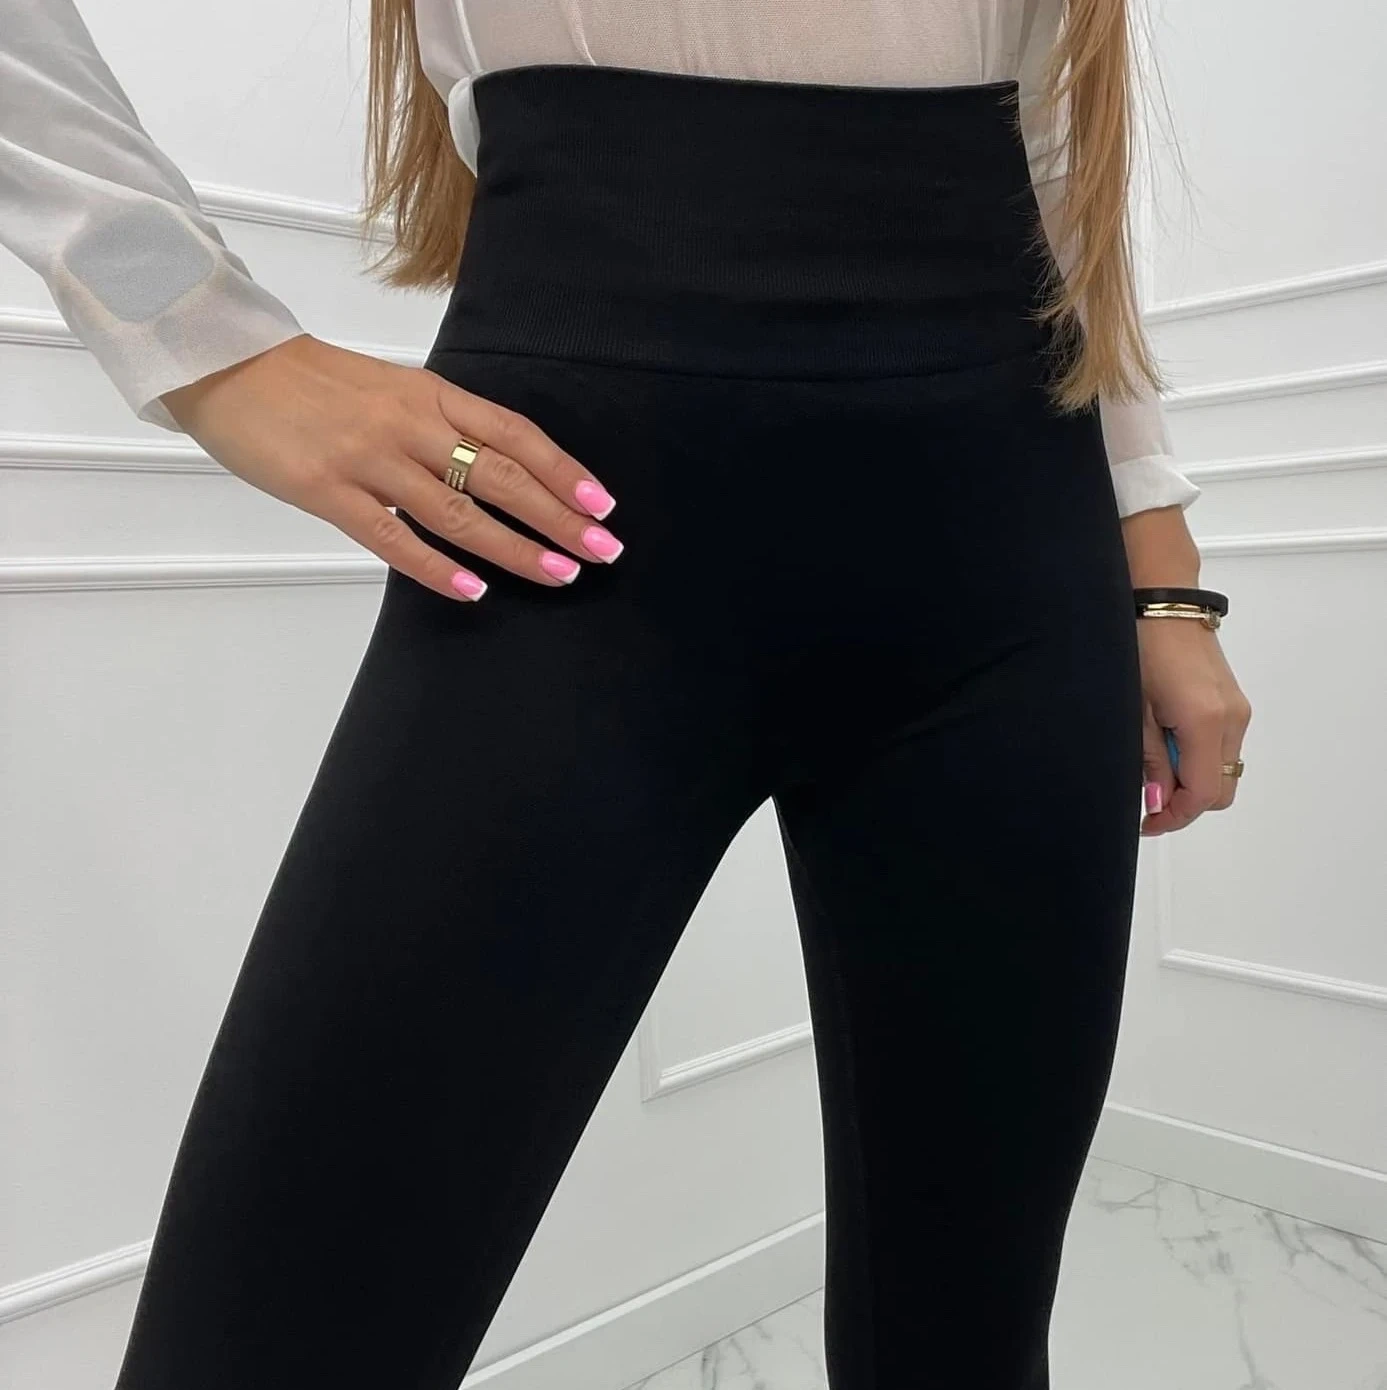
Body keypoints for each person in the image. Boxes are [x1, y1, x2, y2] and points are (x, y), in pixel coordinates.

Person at [2, 1, 1253, 1386]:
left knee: (969, 1331)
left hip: (1012, 555)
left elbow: (1060, 171)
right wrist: (203, 339)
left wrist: (1163, 575)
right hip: (566, 533)